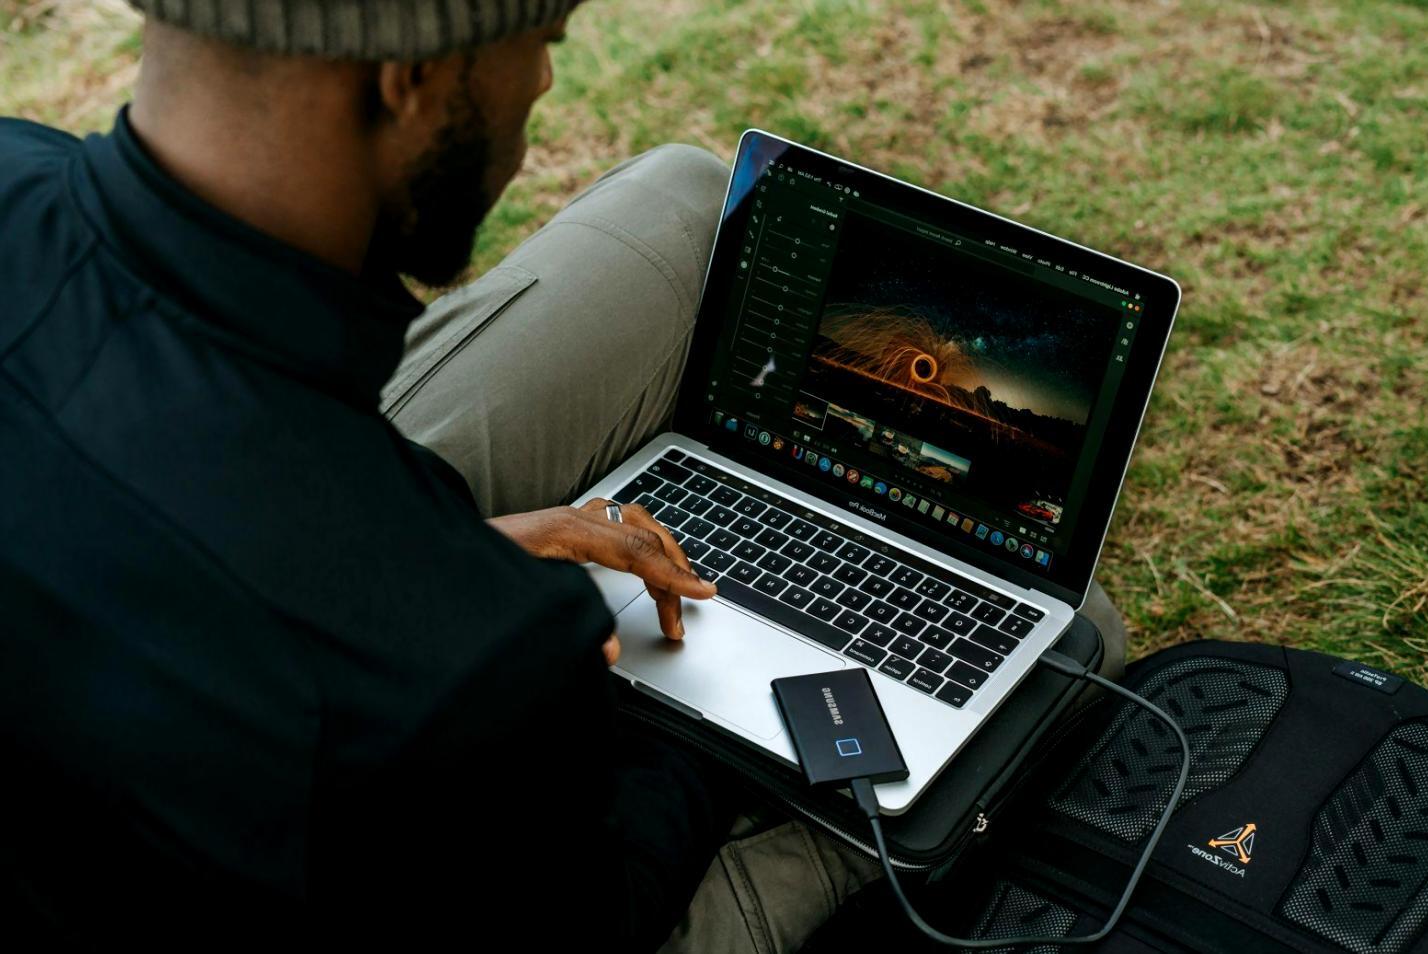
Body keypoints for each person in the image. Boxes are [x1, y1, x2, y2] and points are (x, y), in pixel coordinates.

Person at [0, 1, 1127, 950]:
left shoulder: (14, 170)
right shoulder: (453, 665)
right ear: (410, 76)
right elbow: (600, 906)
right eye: (537, 36)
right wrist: (732, 719)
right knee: (1074, 648)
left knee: (695, 199)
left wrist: (458, 556)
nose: (541, 79)